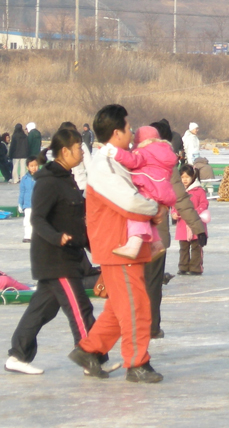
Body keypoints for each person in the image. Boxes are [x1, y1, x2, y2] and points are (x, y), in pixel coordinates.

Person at [70, 104, 165, 384]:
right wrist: (154, 208)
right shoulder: (104, 165)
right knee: (135, 307)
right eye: (128, 127)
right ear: (116, 132)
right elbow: (128, 201)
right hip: (118, 246)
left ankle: (89, 350)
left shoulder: (116, 161)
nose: (132, 132)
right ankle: (137, 363)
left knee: (118, 308)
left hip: (122, 246)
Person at [5, 128, 111, 376]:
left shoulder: (68, 179)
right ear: (65, 151)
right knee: (80, 308)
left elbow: (78, 220)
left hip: (69, 257)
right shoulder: (48, 182)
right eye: (78, 149)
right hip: (55, 258)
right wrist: (57, 237)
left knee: (42, 309)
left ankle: (17, 355)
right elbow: (38, 219)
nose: (82, 154)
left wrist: (95, 249)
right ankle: (91, 358)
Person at [144, 120, 205, 338]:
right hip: (154, 237)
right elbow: (180, 198)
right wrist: (199, 228)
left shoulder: (132, 159)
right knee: (151, 285)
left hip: (131, 234)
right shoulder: (165, 165)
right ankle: (150, 328)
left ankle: (134, 327)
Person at [106, 125, 178, 258]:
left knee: (138, 213)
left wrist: (115, 152)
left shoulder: (145, 151)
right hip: (161, 190)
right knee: (150, 218)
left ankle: (133, 244)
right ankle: (157, 244)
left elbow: (133, 161)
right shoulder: (163, 152)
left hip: (148, 187)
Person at [175, 164, 210, 276]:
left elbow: (204, 203)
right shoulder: (179, 191)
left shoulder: (199, 191)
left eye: (187, 177)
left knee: (196, 246)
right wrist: (174, 213)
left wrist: (196, 211)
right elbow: (175, 204)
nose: (185, 180)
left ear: (193, 177)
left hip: (196, 223)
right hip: (183, 224)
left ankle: (196, 267)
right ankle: (183, 266)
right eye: (182, 177)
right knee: (183, 248)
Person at [18, 154, 40, 242]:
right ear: (27, 167)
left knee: (39, 221)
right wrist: (20, 203)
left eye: (36, 165)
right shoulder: (25, 179)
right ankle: (28, 236)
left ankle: (38, 236)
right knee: (28, 220)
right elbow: (22, 192)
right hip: (28, 204)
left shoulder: (41, 177)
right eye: (31, 166)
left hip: (39, 204)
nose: (34, 168)